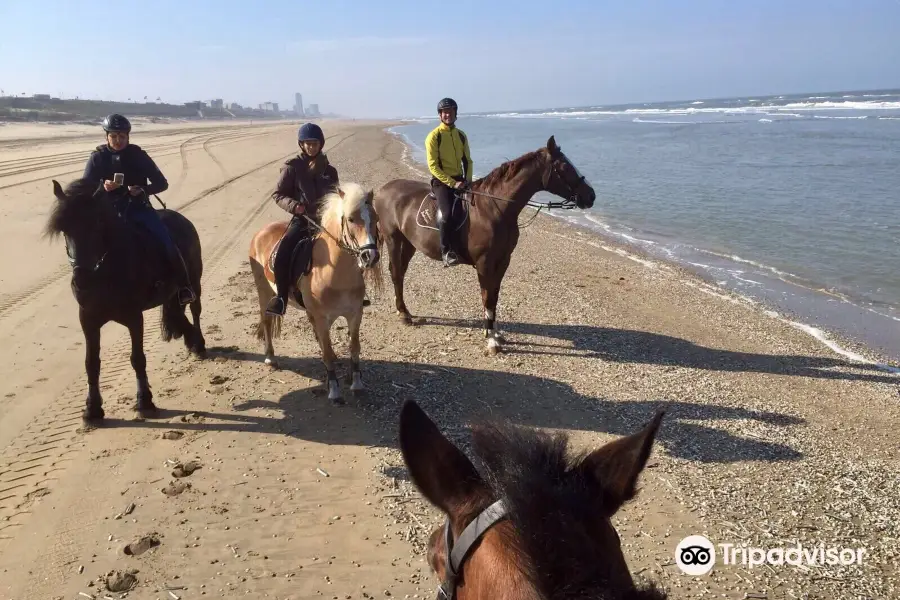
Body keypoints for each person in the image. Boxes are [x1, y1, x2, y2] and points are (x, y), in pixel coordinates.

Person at [82, 113, 196, 305]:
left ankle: (184, 286)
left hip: (138, 208)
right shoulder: (97, 158)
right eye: (114, 136)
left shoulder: (138, 156)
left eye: (122, 136)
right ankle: (85, 285)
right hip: (107, 211)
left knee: (166, 239)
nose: (118, 140)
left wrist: (142, 189)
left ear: (128, 136)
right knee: (83, 241)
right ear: (106, 136)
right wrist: (102, 186)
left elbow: (162, 183)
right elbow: (85, 187)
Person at [265, 122, 339, 317]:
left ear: (320, 144)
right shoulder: (293, 167)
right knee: (284, 250)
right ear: (301, 145)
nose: (311, 147)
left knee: (351, 246)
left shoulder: (330, 171)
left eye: (314, 143)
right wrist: (295, 206)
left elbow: (336, 196)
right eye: (307, 143)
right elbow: (278, 194)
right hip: (303, 219)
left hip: (325, 221)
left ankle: (352, 291)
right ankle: (281, 298)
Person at [425, 97, 474, 266]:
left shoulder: (461, 136)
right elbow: (433, 166)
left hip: (461, 180)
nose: (448, 115)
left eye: (451, 111)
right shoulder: (434, 137)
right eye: (445, 112)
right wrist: (453, 184)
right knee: (446, 215)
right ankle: (446, 251)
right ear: (440, 115)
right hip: (441, 182)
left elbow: (468, 160)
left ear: (455, 114)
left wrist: (467, 180)